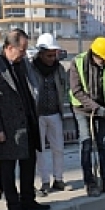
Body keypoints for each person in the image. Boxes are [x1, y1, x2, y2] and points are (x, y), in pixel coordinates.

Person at [0, 29, 50, 210]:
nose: (25, 54)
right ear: (10, 48)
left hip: (27, 123)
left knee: (29, 163)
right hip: (6, 127)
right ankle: (13, 204)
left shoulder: (23, 65)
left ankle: (28, 198)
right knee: (7, 168)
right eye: (22, 50)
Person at [69, 36, 105, 197]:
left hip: (103, 110)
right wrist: (95, 108)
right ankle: (90, 183)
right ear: (95, 55)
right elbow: (77, 91)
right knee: (86, 144)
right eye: (103, 59)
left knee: (104, 144)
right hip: (82, 109)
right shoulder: (77, 63)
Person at [32, 33, 75, 196]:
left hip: (55, 112)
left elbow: (63, 87)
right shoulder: (31, 68)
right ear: (41, 53)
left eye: (54, 55)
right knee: (40, 150)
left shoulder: (59, 69)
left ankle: (58, 179)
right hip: (38, 114)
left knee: (58, 148)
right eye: (49, 55)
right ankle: (44, 181)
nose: (52, 58)